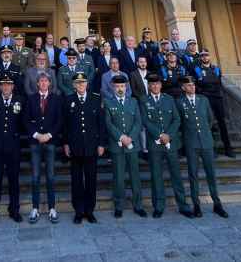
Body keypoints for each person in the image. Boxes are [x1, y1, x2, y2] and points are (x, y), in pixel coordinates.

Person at [140, 73, 194, 219]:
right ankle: (158, 206)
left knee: (176, 175)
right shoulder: (144, 101)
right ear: (149, 86)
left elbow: (177, 119)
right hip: (155, 144)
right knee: (156, 176)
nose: (155, 86)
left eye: (157, 83)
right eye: (152, 84)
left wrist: (168, 135)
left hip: (171, 143)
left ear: (161, 85)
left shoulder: (169, 99)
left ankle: (183, 205)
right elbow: (145, 120)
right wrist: (160, 135)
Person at [176, 76, 229, 218]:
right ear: (183, 88)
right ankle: (196, 205)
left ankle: (217, 204)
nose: (192, 87)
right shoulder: (179, 102)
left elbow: (210, 119)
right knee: (193, 174)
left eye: (193, 85)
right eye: (188, 85)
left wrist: (205, 133)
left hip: (206, 142)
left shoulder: (203, 100)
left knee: (211, 173)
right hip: (191, 143)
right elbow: (179, 123)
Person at [63, 73, 106, 224]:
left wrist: (101, 143)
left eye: (83, 83)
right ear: (74, 85)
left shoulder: (96, 98)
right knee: (76, 181)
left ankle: (90, 210)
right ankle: (79, 211)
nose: (80, 85)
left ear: (87, 84)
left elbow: (101, 123)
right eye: (78, 83)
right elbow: (66, 125)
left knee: (91, 179)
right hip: (75, 147)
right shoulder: (68, 99)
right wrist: (66, 143)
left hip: (91, 146)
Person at [104, 75, 147, 218]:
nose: (120, 89)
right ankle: (119, 205)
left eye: (122, 86)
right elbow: (108, 123)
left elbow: (138, 122)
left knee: (135, 176)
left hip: (132, 145)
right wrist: (121, 137)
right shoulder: (108, 102)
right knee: (118, 177)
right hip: (117, 146)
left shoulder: (133, 101)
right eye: (117, 86)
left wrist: (130, 138)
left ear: (126, 86)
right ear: (112, 87)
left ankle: (138, 205)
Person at [0, 73, 24, 225]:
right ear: (0, 87)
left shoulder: (20, 101)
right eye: (3, 84)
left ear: (13, 86)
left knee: (14, 180)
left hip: (13, 147)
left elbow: (23, 121)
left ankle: (14, 210)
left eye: (9, 84)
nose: (6, 87)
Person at [24, 72, 63, 224]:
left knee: (51, 176)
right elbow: (25, 119)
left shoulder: (56, 99)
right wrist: (35, 134)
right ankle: (35, 208)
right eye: (41, 81)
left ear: (50, 83)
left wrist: (49, 135)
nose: (44, 83)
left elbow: (60, 120)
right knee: (35, 177)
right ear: (37, 84)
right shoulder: (31, 99)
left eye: (46, 81)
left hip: (50, 142)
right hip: (35, 142)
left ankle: (52, 208)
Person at [193, 49, 235, 158]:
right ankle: (211, 149)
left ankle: (228, 148)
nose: (204, 57)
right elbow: (197, 84)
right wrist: (202, 92)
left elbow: (219, 82)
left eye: (206, 55)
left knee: (222, 123)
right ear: (200, 58)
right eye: (202, 56)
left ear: (209, 56)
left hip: (217, 98)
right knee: (208, 123)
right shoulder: (197, 69)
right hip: (206, 99)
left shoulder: (216, 69)